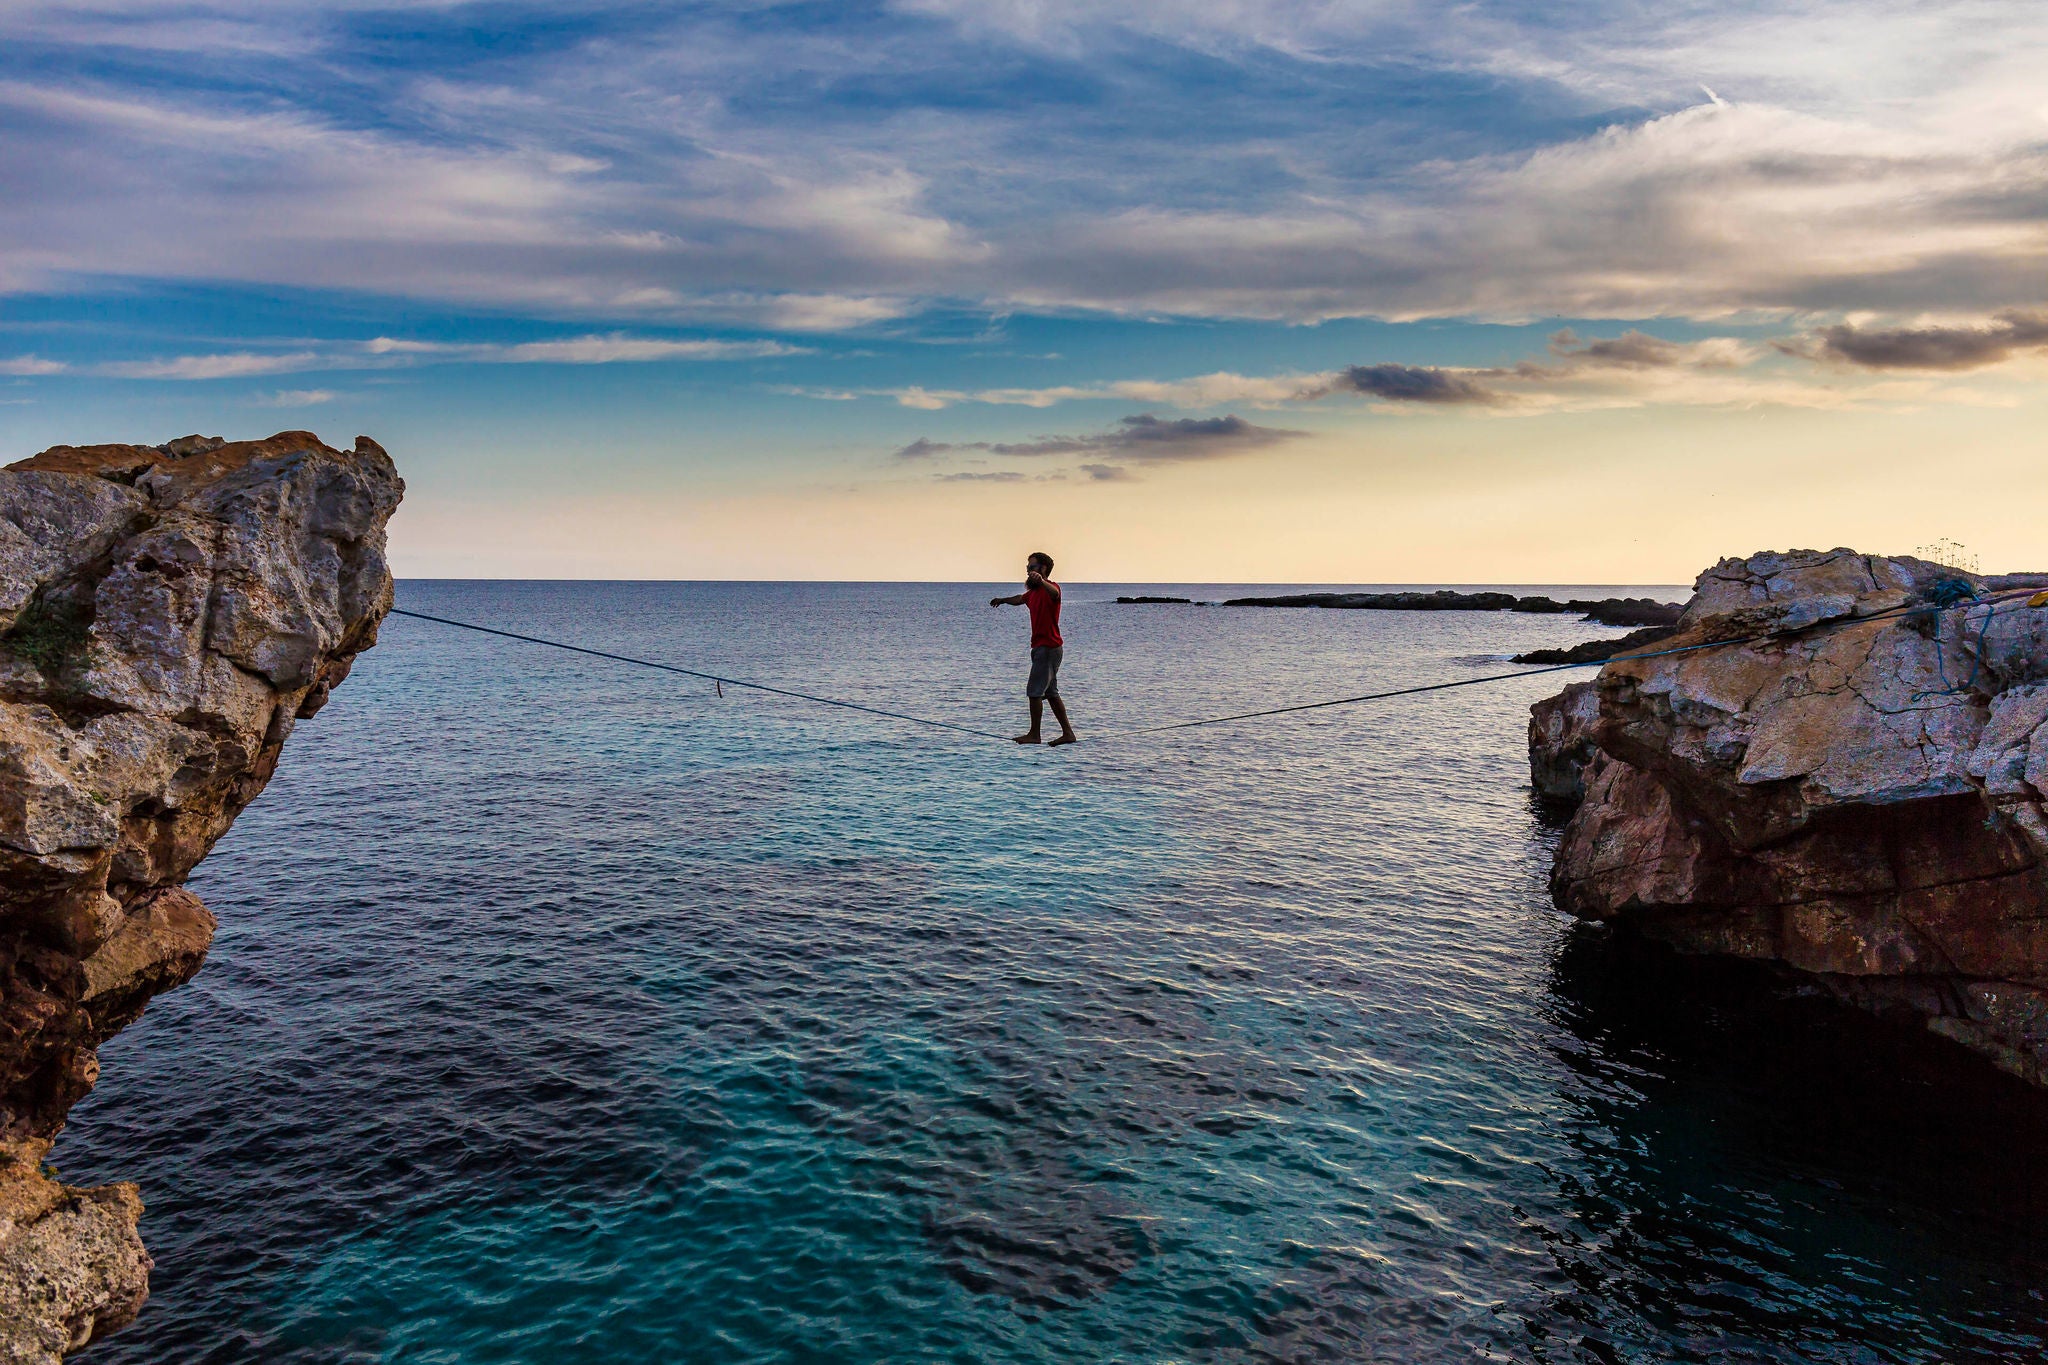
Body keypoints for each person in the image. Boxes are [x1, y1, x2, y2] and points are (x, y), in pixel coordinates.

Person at [990, 551, 1077, 746]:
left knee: (1034, 692)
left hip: (1048, 648)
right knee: (1051, 693)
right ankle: (1068, 733)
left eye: (1032, 567)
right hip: (1043, 649)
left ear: (1042, 569)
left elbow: (1055, 593)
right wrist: (1002, 600)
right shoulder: (1033, 594)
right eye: (1027, 568)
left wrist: (1042, 580)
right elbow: (1019, 598)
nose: (1028, 571)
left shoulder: (1051, 589)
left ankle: (1034, 735)